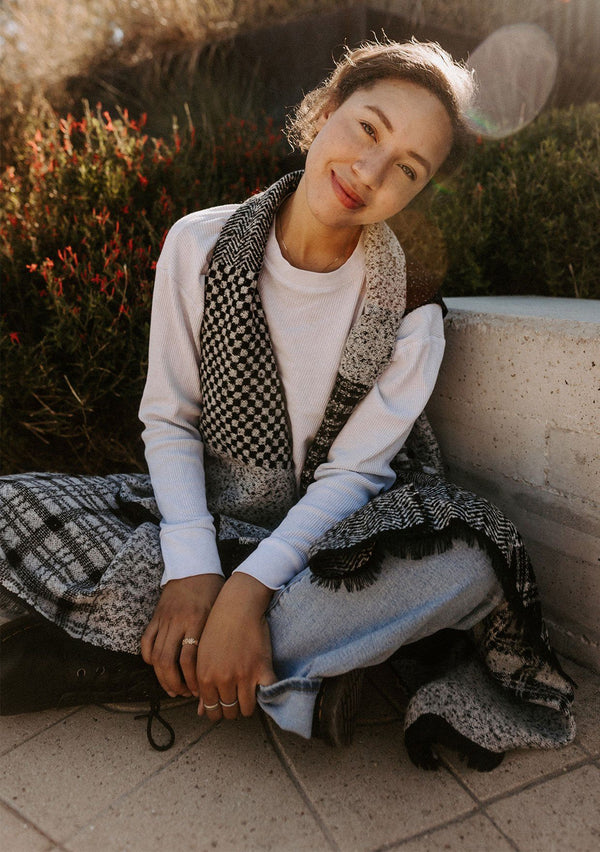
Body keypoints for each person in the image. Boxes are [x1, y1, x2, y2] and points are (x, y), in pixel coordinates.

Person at [0, 38, 575, 769]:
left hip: (336, 543)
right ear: (327, 110)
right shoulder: (199, 246)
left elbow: (355, 476)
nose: (369, 172)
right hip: (209, 516)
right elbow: (171, 419)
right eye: (368, 128)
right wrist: (191, 566)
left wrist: (246, 590)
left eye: (406, 168)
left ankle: (133, 660)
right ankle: (298, 674)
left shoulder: (412, 308)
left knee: (469, 562)